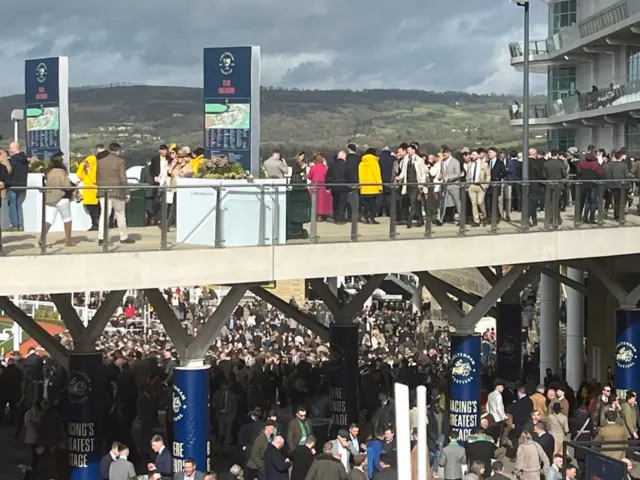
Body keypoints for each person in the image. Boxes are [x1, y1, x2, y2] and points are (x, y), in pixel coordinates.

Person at [96, 142, 134, 246]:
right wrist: (127, 192)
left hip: (103, 191)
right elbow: (123, 178)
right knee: (120, 214)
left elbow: (97, 177)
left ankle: (101, 237)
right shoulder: (120, 161)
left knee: (104, 214)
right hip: (118, 192)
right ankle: (123, 236)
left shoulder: (100, 161)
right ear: (118, 151)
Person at [39, 151, 75, 248]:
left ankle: (42, 238)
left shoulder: (48, 172)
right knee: (67, 219)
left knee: (49, 219)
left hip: (50, 198)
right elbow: (66, 186)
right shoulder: (62, 172)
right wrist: (73, 186)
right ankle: (68, 241)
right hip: (62, 198)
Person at [76, 144, 105, 230]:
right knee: (100, 208)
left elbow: (79, 175)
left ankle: (95, 224)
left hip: (89, 187)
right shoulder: (99, 160)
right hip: (99, 186)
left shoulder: (85, 162)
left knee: (91, 208)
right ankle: (103, 224)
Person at [7, 141, 28, 231]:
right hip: (22, 184)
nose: (9, 150)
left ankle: (14, 224)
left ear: (15, 148)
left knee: (12, 204)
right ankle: (20, 225)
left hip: (13, 184)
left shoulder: (12, 160)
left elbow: (9, 172)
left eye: (10, 148)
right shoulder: (25, 160)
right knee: (19, 205)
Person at [358, 148, 383, 224]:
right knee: (373, 204)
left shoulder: (361, 163)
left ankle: (366, 218)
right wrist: (380, 186)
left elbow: (359, 176)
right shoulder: (374, 162)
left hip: (364, 187)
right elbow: (377, 175)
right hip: (373, 187)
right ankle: (372, 218)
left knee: (365, 205)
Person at [307, 154, 332, 221]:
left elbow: (309, 177)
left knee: (314, 201)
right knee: (321, 202)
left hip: (314, 186)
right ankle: (320, 216)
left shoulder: (313, 168)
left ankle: (314, 215)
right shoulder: (325, 168)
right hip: (323, 187)